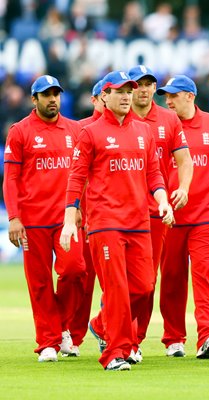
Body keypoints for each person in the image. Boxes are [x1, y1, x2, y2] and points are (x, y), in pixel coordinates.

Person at [60, 71, 174, 371]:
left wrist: (163, 200)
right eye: (119, 91)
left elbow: (154, 174)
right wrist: (70, 221)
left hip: (139, 222)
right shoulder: (90, 133)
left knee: (145, 286)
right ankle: (115, 353)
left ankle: (100, 322)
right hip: (105, 222)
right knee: (118, 290)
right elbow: (76, 179)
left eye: (129, 90)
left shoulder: (143, 132)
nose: (126, 96)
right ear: (104, 97)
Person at [3, 75, 86, 362]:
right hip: (32, 220)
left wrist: (79, 209)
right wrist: (14, 217)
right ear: (33, 100)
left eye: (56, 94)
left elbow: (84, 175)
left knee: (75, 271)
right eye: (46, 94)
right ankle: (48, 342)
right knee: (39, 283)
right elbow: (11, 178)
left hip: (66, 219)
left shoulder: (75, 130)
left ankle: (61, 326)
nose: (52, 99)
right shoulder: (20, 131)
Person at [155, 75, 209, 359]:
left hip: (205, 215)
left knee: (204, 273)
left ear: (190, 96)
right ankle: (173, 338)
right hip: (171, 217)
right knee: (172, 278)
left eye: (173, 95)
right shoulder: (163, 125)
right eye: (166, 96)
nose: (167, 100)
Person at [127, 65, 193, 357]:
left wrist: (183, 188)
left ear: (154, 88)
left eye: (148, 84)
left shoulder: (168, 120)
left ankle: (132, 339)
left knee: (146, 281)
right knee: (120, 280)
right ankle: (117, 334)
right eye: (137, 84)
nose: (143, 89)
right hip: (117, 212)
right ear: (128, 88)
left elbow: (185, 160)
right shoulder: (117, 118)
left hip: (154, 212)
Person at [69, 78, 105, 355]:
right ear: (94, 100)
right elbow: (73, 174)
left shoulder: (131, 129)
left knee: (116, 281)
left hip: (112, 217)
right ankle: (73, 334)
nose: (109, 99)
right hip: (84, 216)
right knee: (82, 277)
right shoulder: (79, 129)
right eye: (103, 95)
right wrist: (75, 207)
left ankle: (107, 329)